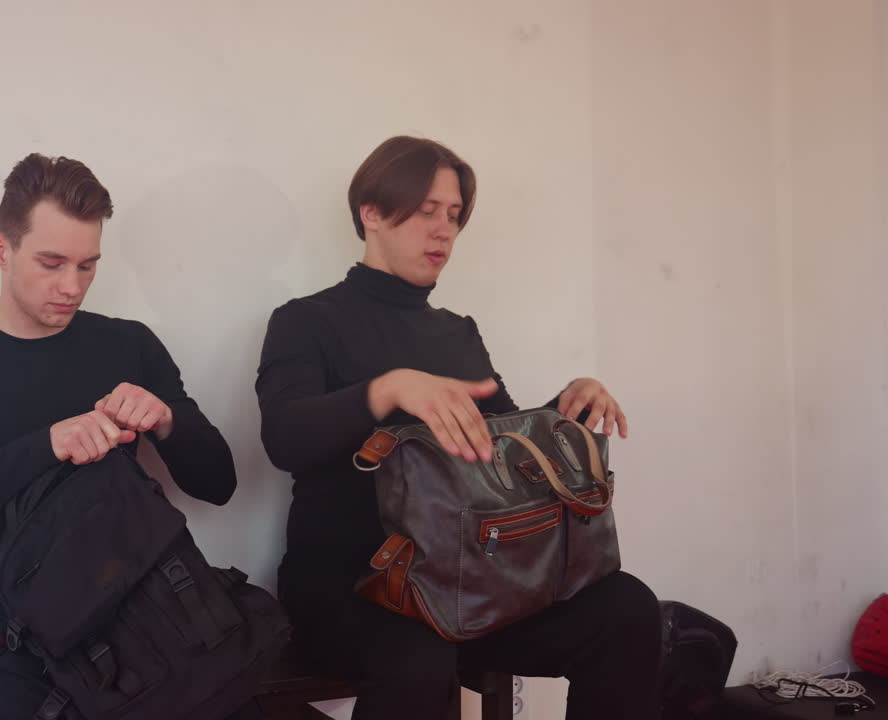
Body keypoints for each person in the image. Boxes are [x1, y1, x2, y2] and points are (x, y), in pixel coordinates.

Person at [255, 136, 661, 719]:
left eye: (453, 215)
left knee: (627, 610)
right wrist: (388, 389)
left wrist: (567, 406)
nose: (443, 231)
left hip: (473, 585)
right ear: (371, 213)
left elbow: (505, 449)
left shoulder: (457, 332)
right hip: (356, 587)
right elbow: (283, 438)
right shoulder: (305, 320)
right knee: (418, 655)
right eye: (427, 212)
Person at [0, 153, 244, 719]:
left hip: (150, 601)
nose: (72, 287)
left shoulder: (129, 346)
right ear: (1, 250)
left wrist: (168, 421)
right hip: (26, 620)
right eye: (51, 263)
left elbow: (220, 485)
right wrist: (46, 445)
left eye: (87, 266)